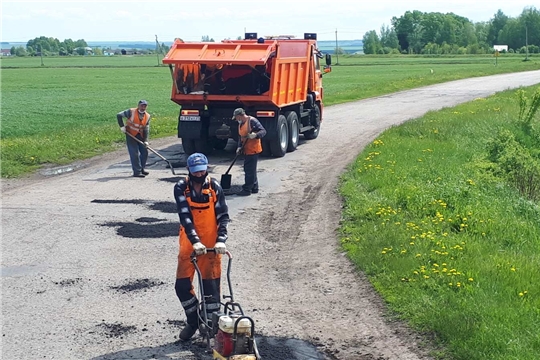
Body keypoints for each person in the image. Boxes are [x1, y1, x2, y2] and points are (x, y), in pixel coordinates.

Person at [173, 153, 230, 341]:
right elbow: (185, 217)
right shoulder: (181, 187)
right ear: (189, 171)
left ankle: (211, 328)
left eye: (203, 171)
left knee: (210, 289)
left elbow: (223, 216)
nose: (200, 175)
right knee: (181, 286)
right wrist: (195, 241)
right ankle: (193, 320)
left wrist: (221, 239)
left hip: (212, 245)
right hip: (190, 243)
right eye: (196, 172)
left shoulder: (215, 187)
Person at [232, 108, 267, 196]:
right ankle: (254, 187)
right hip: (246, 149)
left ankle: (247, 189)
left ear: (240, 116)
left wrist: (255, 135)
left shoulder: (252, 121)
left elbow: (263, 131)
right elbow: (241, 137)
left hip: (253, 149)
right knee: (251, 169)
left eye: (236, 118)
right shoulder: (241, 124)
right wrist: (239, 147)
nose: (236, 120)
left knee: (249, 170)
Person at [117, 100, 151, 177]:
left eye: (145, 106)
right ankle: (137, 172)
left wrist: (145, 140)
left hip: (140, 136)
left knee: (145, 152)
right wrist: (122, 126)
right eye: (142, 105)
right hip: (130, 135)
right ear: (138, 105)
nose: (143, 107)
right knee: (134, 153)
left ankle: (141, 169)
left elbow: (146, 129)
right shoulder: (131, 111)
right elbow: (119, 115)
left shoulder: (147, 116)